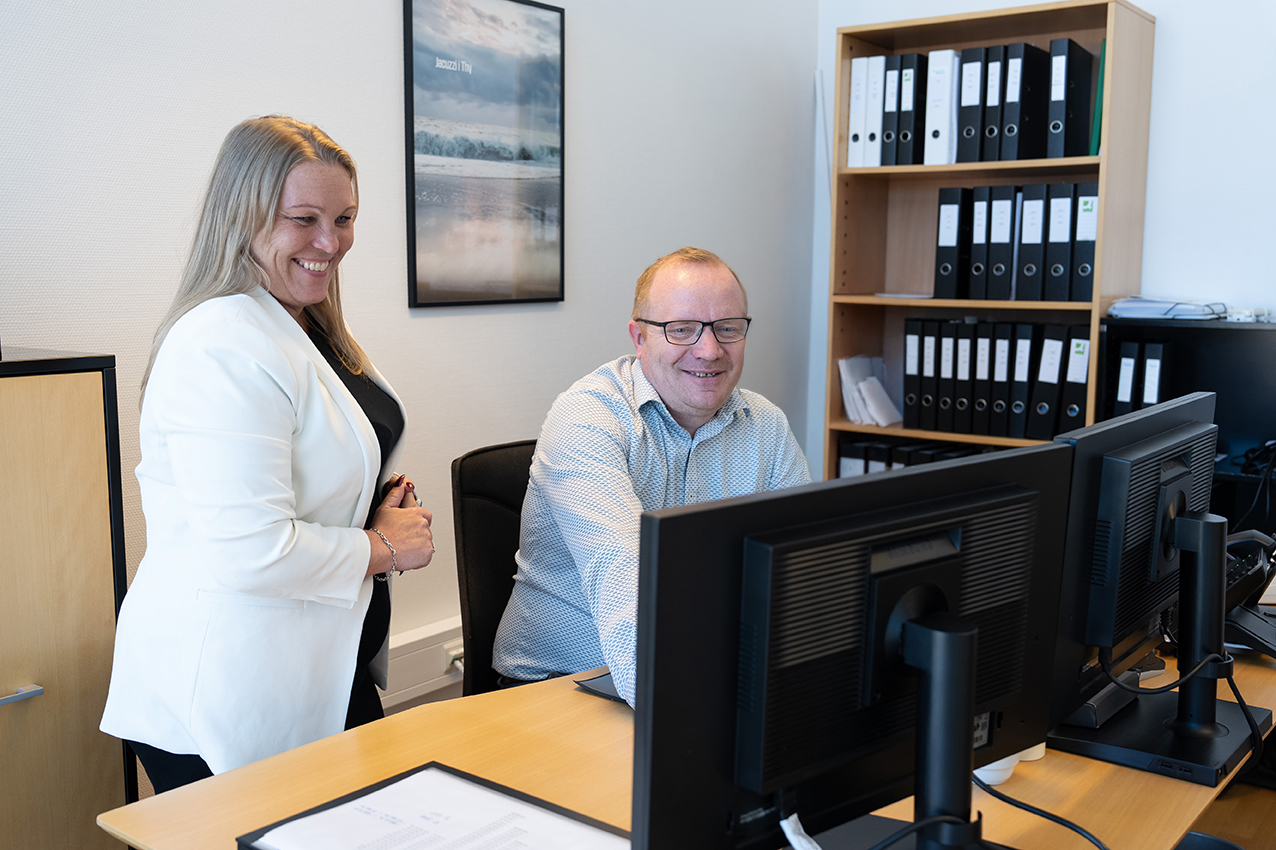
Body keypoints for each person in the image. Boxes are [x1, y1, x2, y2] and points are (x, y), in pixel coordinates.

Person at [100, 116, 435, 792]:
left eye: (344, 219)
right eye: (303, 219)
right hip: (228, 694)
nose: (329, 243)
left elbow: (309, 465)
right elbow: (251, 550)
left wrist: (367, 498)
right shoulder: (219, 342)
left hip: (320, 669)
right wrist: (383, 547)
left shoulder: (304, 322)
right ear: (242, 217)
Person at [492, 247, 811, 705]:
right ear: (639, 337)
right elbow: (626, 581)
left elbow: (800, 570)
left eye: (727, 328)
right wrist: (685, 712)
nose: (709, 350)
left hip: (709, 668)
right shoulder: (587, 418)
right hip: (557, 689)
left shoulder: (765, 425)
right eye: (681, 329)